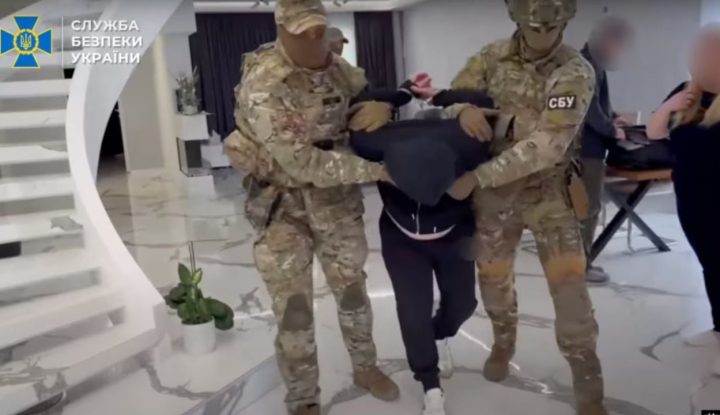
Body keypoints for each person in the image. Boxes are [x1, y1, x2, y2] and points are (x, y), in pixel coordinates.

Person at [228, 1, 400, 414]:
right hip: (282, 208)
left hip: (337, 204)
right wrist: (379, 171)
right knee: (295, 310)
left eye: (319, 29)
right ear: (281, 30)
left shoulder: (339, 68)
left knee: (353, 291)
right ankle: (303, 397)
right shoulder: (265, 83)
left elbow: (365, 100)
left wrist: (385, 107)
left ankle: (366, 367)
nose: (313, 39)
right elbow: (304, 163)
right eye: (302, 31)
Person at [441, 0, 608, 414]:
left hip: (550, 194)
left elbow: (548, 145)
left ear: (564, 22)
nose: (543, 36)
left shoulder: (575, 70)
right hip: (496, 199)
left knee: (570, 291)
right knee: (493, 279)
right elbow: (451, 97)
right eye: (534, 28)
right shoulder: (490, 56)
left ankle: (587, 382)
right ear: (517, 20)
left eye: (552, 28)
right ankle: (503, 343)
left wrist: (481, 170)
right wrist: (464, 110)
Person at [645, 24, 720, 375]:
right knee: (710, 263)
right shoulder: (685, 93)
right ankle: (719, 326)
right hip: (690, 194)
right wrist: (669, 106)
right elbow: (654, 132)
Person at [578, 16, 634, 285]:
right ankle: (580, 267)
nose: (619, 51)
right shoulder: (585, 67)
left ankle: (581, 263)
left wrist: (614, 117)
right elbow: (589, 111)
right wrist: (613, 130)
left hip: (588, 148)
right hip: (585, 150)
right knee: (587, 208)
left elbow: (599, 105)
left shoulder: (591, 64)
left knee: (585, 208)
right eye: (619, 44)